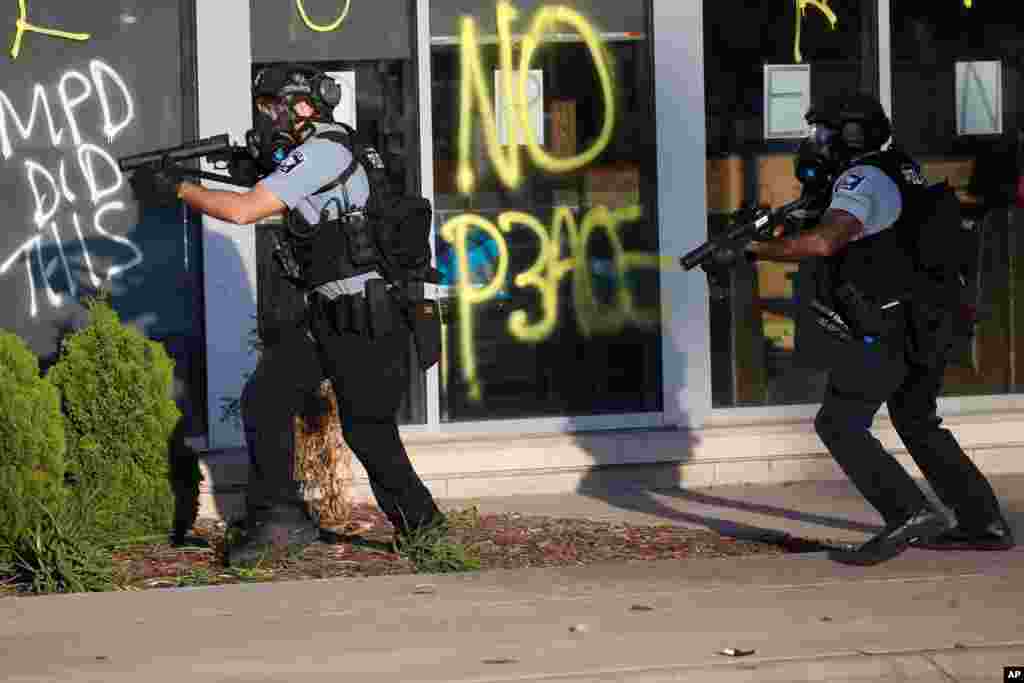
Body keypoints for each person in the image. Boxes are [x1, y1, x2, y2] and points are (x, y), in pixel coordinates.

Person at [129, 64, 445, 565]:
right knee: (268, 398)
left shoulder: (322, 152)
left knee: (368, 431)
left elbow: (243, 211)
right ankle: (280, 518)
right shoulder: (331, 150)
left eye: (273, 107)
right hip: (334, 313)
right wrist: (253, 168)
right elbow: (292, 207)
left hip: (362, 316)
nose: (268, 117)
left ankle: (426, 528)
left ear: (302, 105)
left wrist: (179, 190)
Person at [746, 93, 1014, 565]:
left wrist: (756, 250)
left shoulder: (861, 177)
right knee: (916, 419)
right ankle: (983, 523)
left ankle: (907, 511)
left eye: (823, 131)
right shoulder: (899, 168)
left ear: (851, 134)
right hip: (927, 317)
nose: (816, 141)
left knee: (840, 422)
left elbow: (829, 241)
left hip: (891, 322)